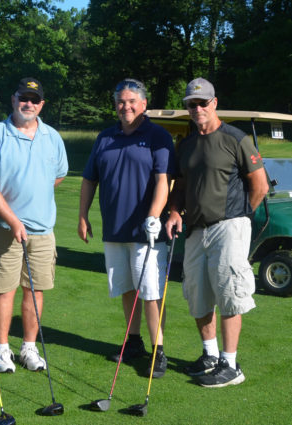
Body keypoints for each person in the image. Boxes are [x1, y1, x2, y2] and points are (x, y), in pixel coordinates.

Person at [166, 77, 269, 387]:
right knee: (197, 294)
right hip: (196, 230)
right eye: (191, 104)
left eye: (202, 102)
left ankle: (230, 364)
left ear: (214, 103)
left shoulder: (236, 139)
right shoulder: (186, 143)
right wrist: (173, 210)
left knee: (229, 293)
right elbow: (181, 185)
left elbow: (260, 185)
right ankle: (210, 355)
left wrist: (240, 217)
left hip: (229, 227)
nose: (197, 108)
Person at [78, 78, 175, 377]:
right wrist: (83, 215)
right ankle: (133, 342)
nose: (126, 106)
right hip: (114, 229)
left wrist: (154, 215)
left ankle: (158, 350)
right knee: (126, 287)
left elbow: (163, 179)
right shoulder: (105, 137)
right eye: (121, 101)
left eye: (132, 101)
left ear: (143, 104)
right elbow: (89, 179)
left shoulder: (158, 136)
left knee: (150, 291)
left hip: (146, 231)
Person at [0, 77, 68, 373]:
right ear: (13, 98)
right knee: (5, 289)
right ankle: (2, 349)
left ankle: (28, 347)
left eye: (34, 99)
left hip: (42, 229)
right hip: (2, 228)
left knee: (35, 290)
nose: (28, 103)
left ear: (41, 104)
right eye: (23, 97)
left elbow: (57, 175)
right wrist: (13, 219)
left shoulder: (52, 137)